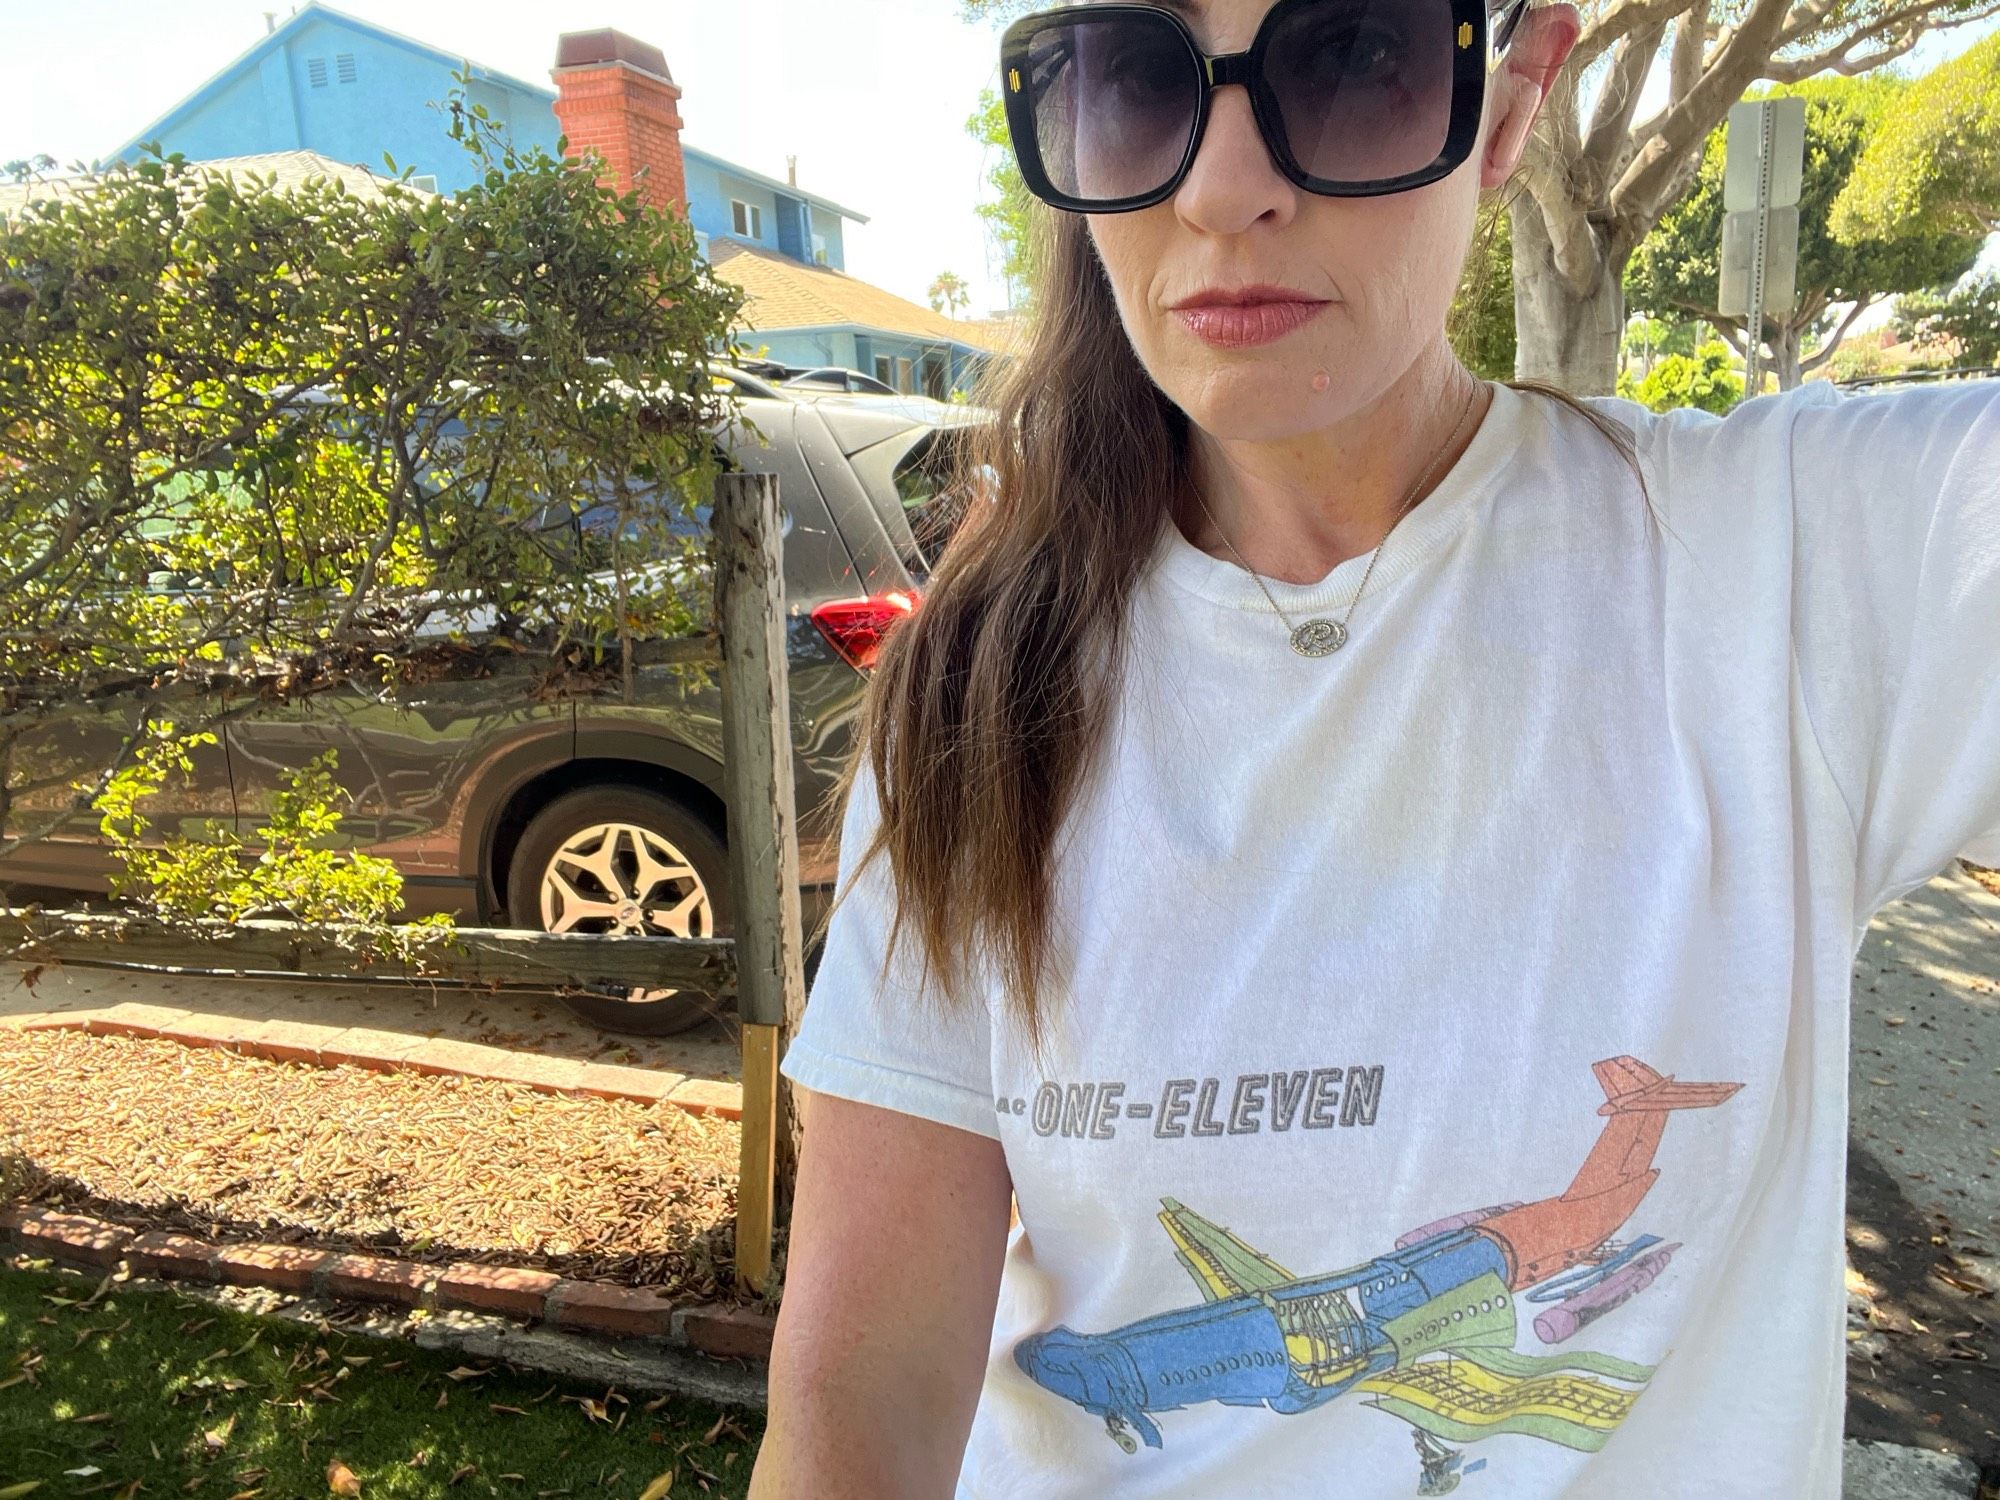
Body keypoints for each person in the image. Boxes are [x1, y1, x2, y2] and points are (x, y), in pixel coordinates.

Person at [750, 0, 2000, 1493]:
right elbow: (855, 1412)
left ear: (1517, 92)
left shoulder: (1799, 565)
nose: (1221, 190)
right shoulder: (984, 683)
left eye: (1353, 54)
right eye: (1138, 77)